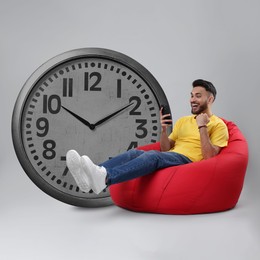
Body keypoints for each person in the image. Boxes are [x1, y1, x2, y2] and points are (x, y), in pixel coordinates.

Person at [66, 79, 229, 195]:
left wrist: (202, 126)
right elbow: (166, 148)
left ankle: (105, 177)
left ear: (210, 99)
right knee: (134, 153)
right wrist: (164, 130)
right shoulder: (183, 121)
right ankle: (91, 175)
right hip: (172, 156)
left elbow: (209, 157)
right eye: (191, 95)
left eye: (198, 96)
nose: (192, 100)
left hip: (189, 161)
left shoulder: (218, 124)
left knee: (152, 155)